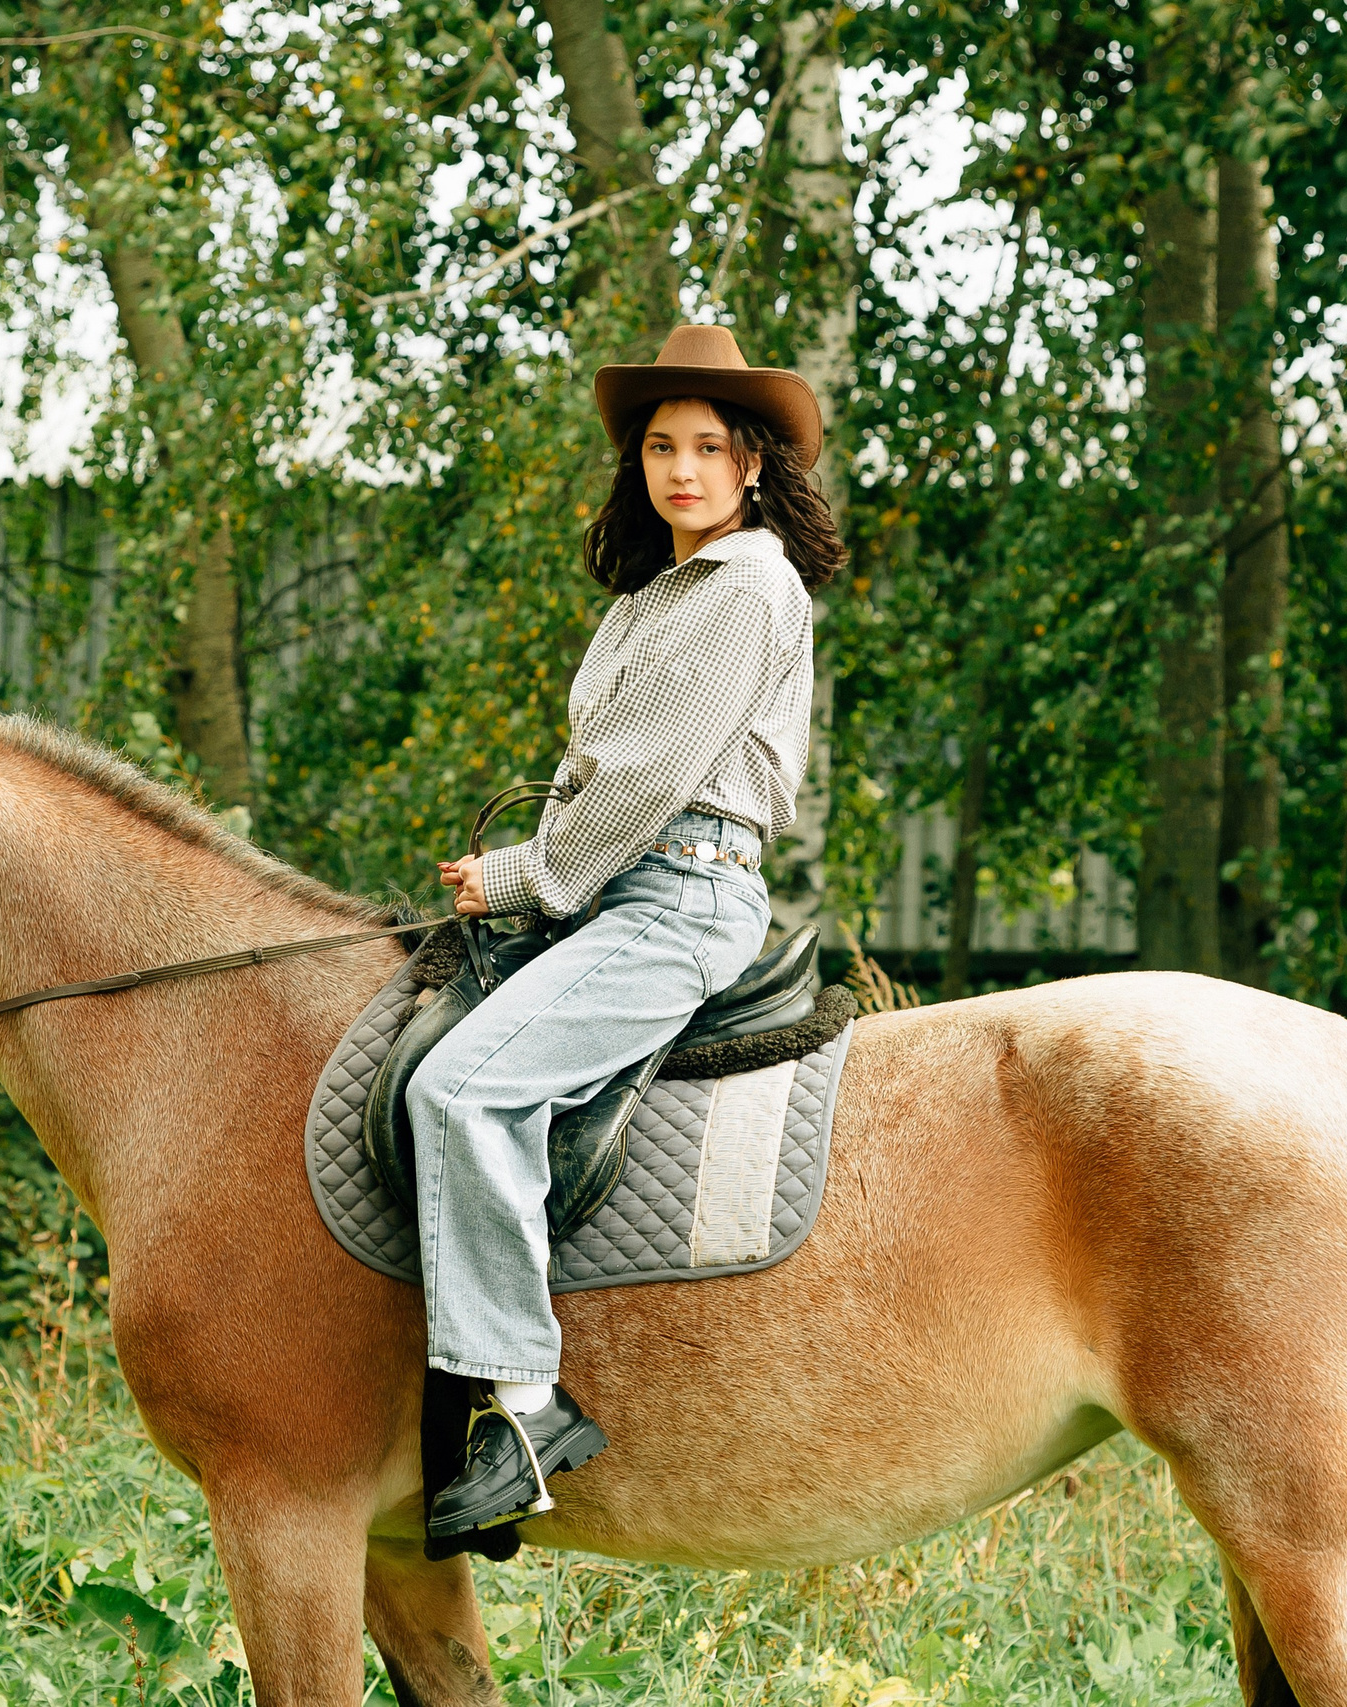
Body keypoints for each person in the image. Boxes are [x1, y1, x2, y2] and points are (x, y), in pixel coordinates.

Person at [411, 324, 846, 1538]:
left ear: (754, 463)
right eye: (662, 446)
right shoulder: (661, 592)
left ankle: (525, 1403)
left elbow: (649, 775)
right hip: (622, 885)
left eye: (710, 446)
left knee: (461, 1092)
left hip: (679, 896)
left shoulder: (748, 585)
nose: (683, 469)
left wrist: (523, 873)